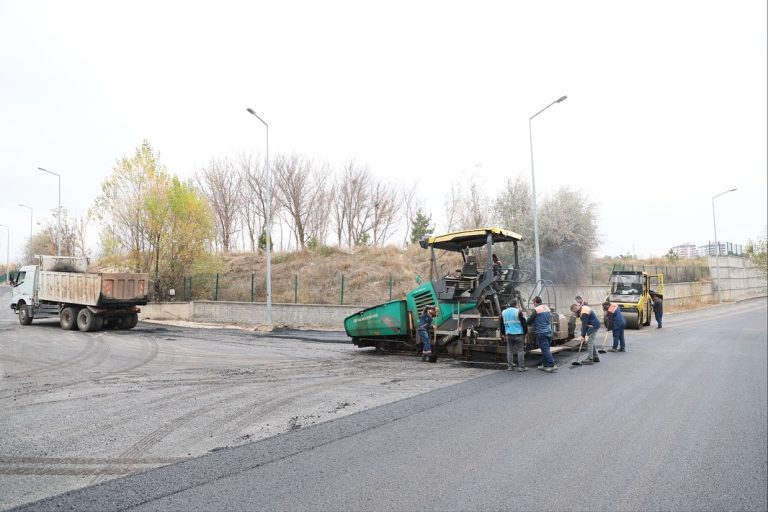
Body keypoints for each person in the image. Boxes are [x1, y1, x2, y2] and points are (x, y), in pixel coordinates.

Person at [527, 296, 558, 372]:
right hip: (549, 331)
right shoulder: (547, 308)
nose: (533, 304)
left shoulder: (536, 310)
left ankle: (552, 365)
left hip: (541, 332)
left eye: (533, 302)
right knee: (546, 349)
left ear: (535, 302)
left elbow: (529, 321)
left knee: (544, 349)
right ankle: (544, 365)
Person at [502, 299, 528, 372]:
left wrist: (504, 334)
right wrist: (525, 333)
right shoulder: (518, 311)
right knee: (520, 350)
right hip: (518, 334)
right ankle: (521, 367)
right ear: (516, 304)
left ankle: (510, 366)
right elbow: (524, 323)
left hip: (508, 334)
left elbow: (502, 324)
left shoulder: (504, 312)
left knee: (509, 350)